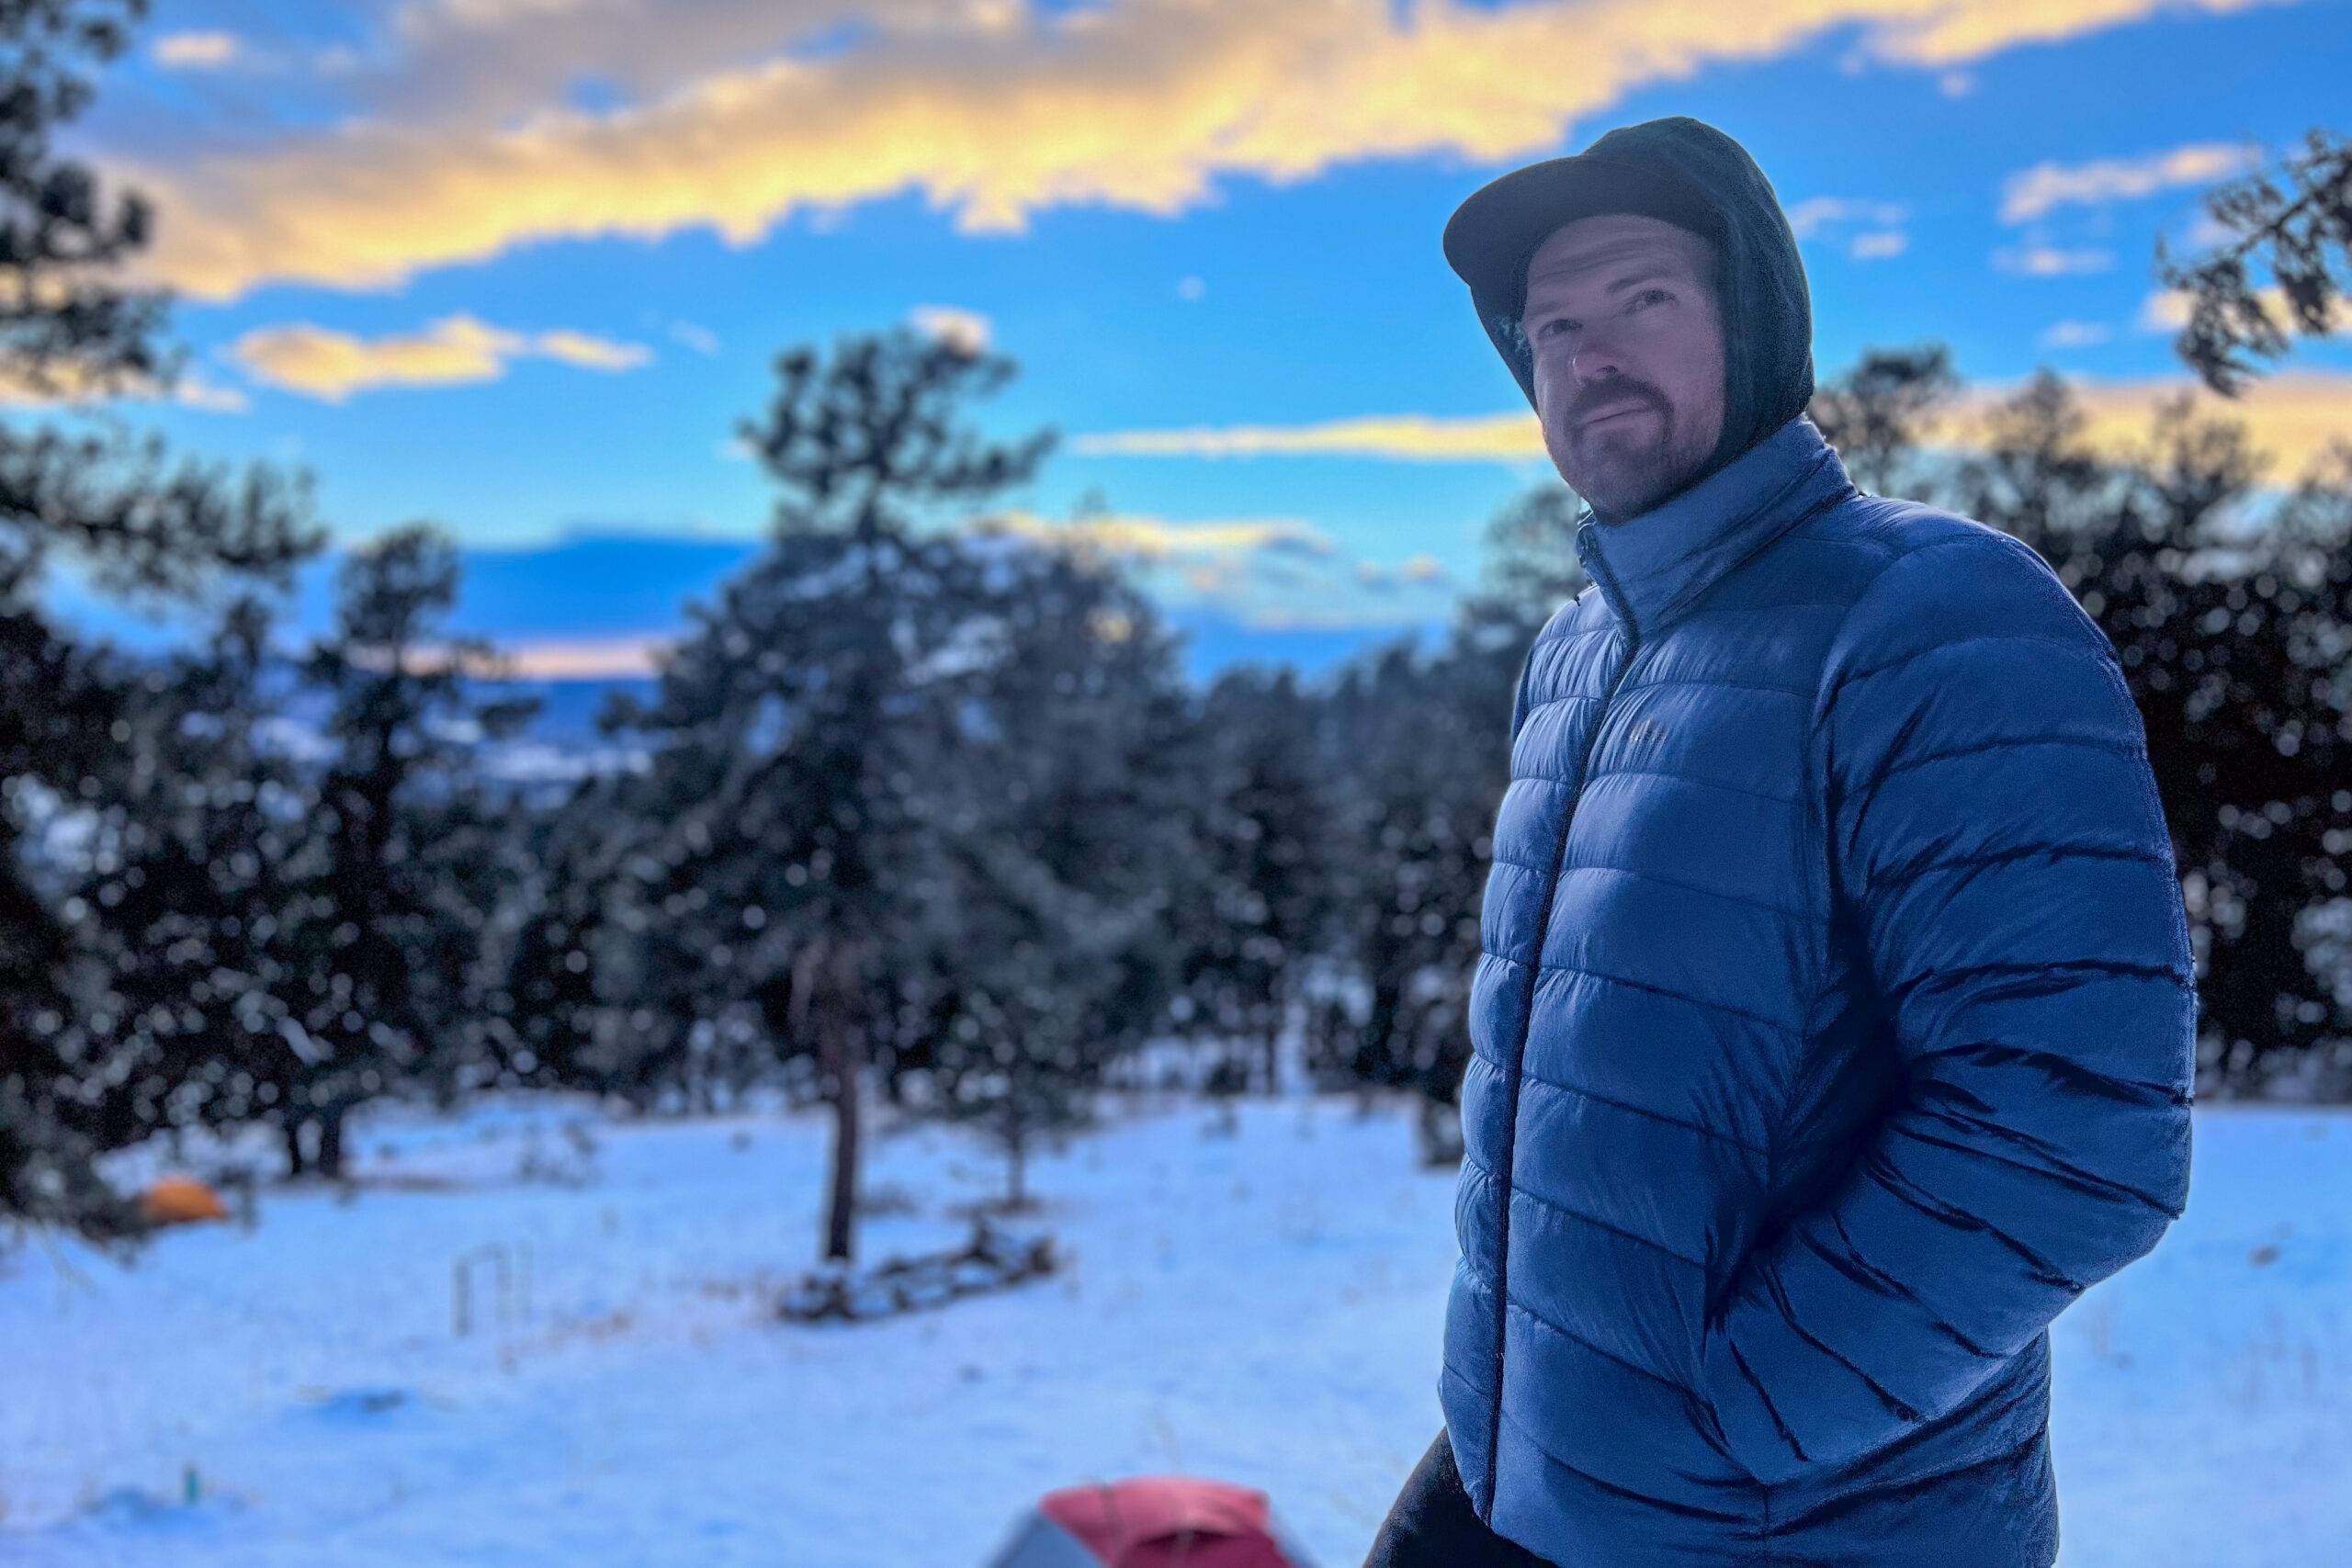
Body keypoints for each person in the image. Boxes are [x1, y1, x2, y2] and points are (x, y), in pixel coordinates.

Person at [1364, 117, 2196, 1568]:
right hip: (1542, 1472)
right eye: (1552, 325)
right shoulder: (1577, 654)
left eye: (1643, 301)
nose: (1588, 354)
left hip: (1794, 1519)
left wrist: (1735, 1422)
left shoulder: (1934, 614)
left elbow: (2079, 1128)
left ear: (1754, 323)